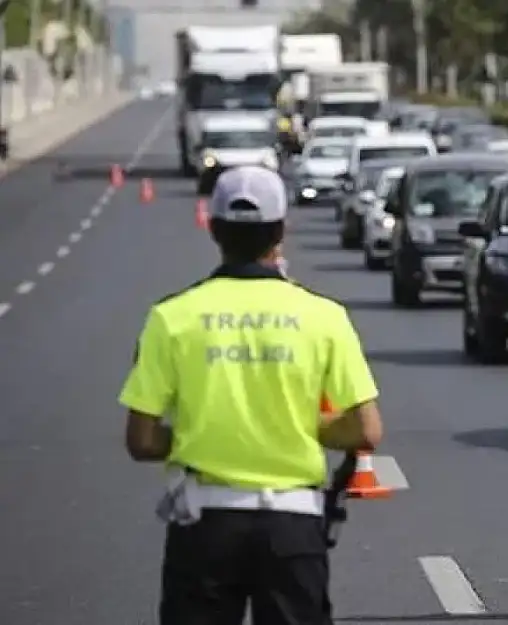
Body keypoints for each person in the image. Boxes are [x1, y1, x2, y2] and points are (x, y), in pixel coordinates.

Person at [119, 165, 384, 625]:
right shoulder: (324, 317)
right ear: (281, 231)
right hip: (293, 526)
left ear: (215, 229)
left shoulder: (171, 318)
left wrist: (198, 434)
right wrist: (304, 427)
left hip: (204, 525)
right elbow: (366, 429)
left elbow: (141, 441)